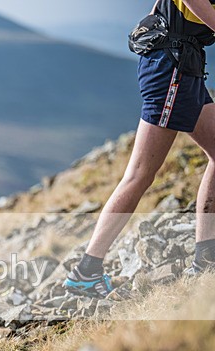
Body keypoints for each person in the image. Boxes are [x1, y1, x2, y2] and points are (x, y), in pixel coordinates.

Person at [64, 0, 215, 298]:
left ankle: (206, 258)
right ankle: (86, 272)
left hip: (182, 63)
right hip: (173, 67)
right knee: (140, 175)